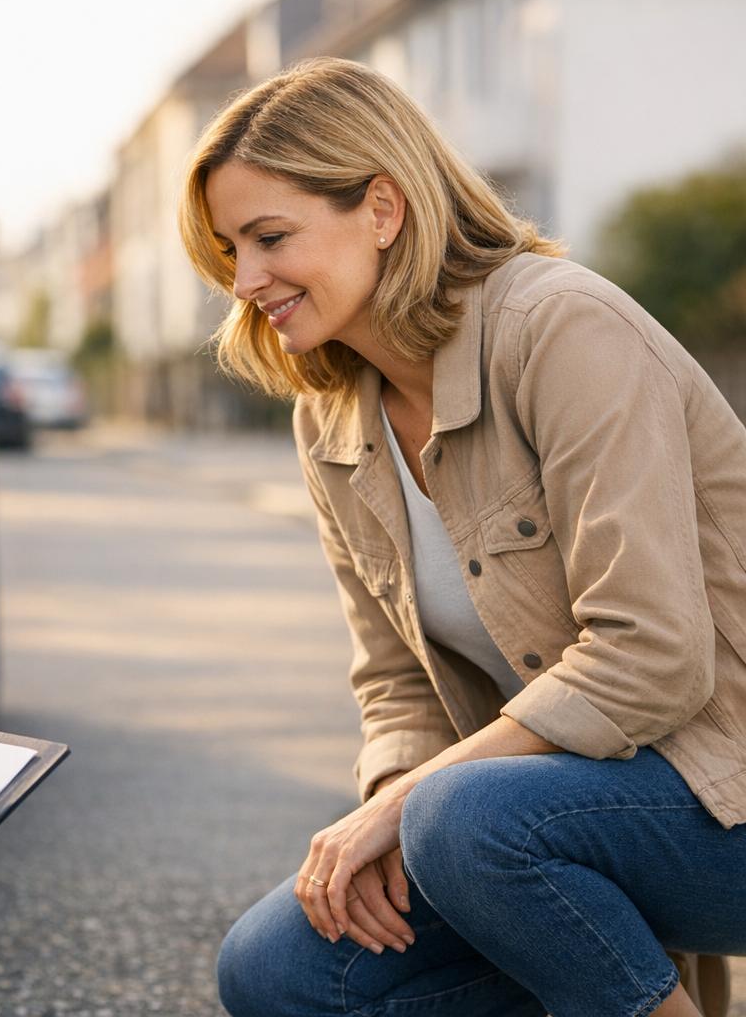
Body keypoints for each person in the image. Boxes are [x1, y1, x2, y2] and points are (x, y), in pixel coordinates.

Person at [179, 58, 746, 1017]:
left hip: (718, 795)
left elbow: (654, 655)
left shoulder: (562, 329)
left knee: (459, 820)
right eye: (231, 250)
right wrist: (390, 802)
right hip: (555, 819)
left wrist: (412, 806)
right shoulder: (331, 421)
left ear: (384, 210)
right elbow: (395, 679)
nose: (246, 281)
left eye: (270, 238)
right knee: (278, 971)